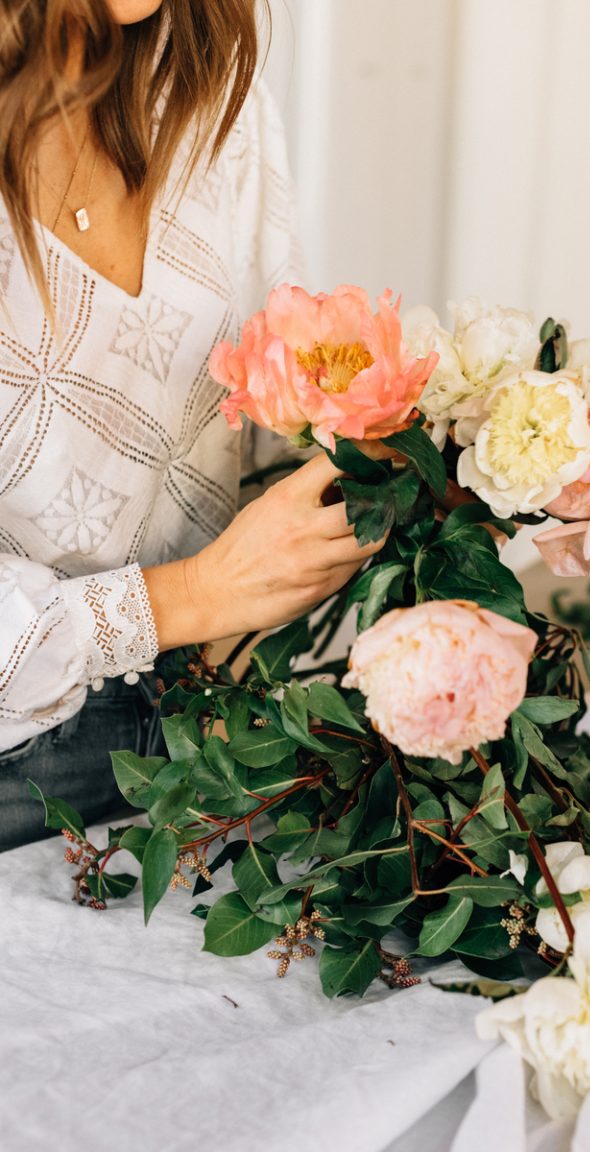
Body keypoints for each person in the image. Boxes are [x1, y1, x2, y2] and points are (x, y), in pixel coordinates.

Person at [0, 0, 383, 850]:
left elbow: (269, 391)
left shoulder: (208, 90)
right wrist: (192, 595)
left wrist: (398, 450)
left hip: (209, 734)